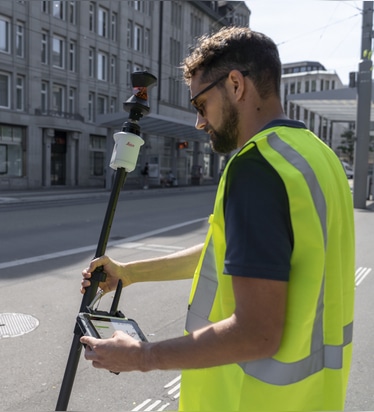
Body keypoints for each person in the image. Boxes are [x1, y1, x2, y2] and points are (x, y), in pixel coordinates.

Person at [80, 27, 355, 411]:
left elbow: (257, 334)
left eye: (200, 104)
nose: (199, 122)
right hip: (311, 399)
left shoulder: (257, 168)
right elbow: (224, 255)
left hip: (250, 401)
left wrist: (141, 356)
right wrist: (130, 272)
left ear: (236, 85)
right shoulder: (318, 157)